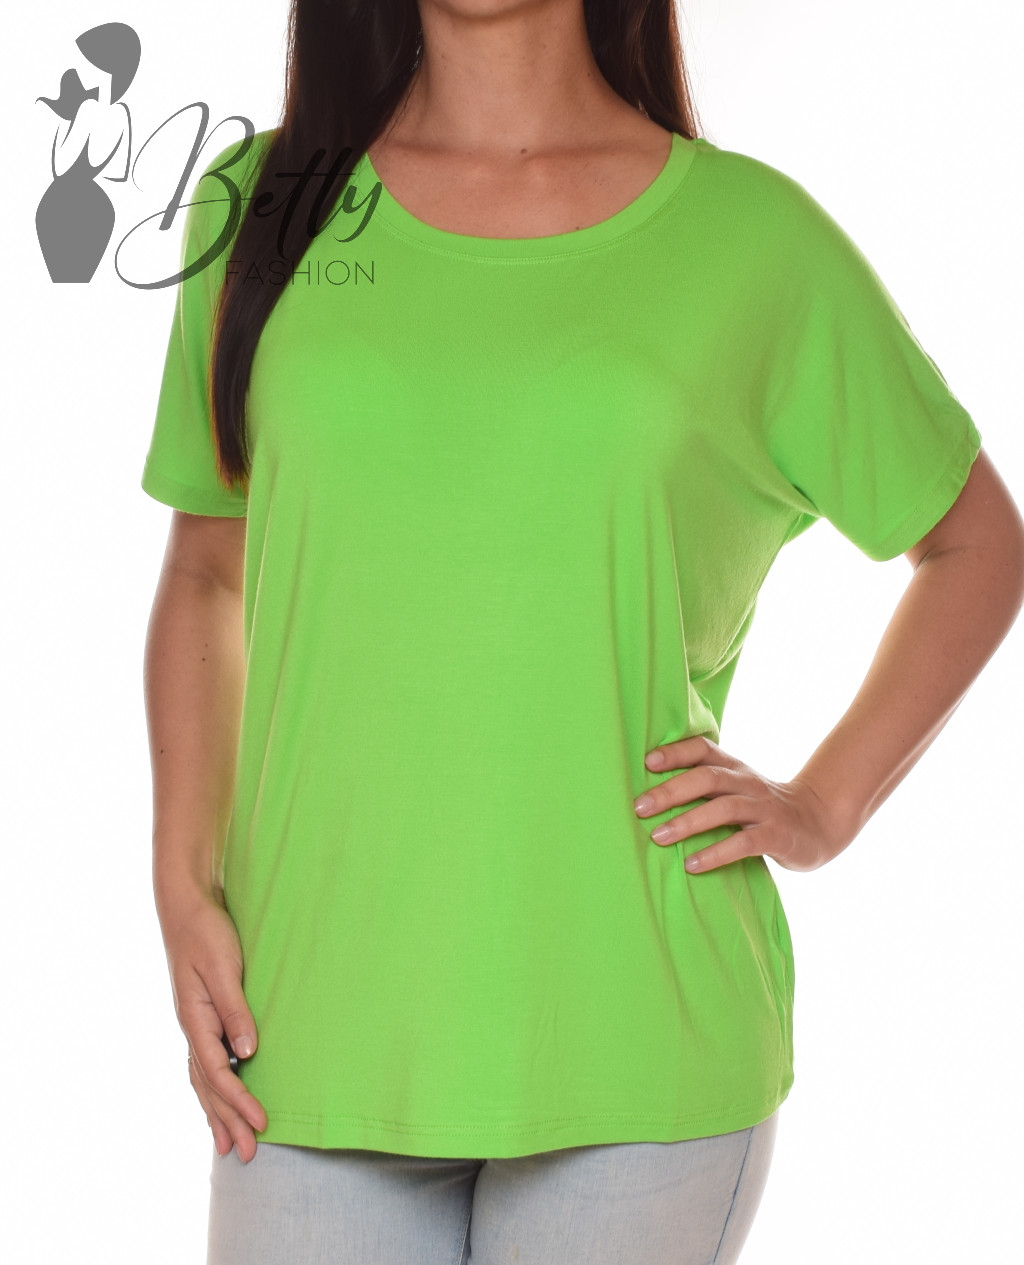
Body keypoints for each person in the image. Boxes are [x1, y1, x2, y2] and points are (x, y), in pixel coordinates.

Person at [140, 2, 1024, 1263]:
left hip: (638, 1034)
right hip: (312, 1020)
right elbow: (207, 571)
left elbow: (976, 543)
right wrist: (182, 882)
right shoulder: (263, 206)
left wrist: (822, 805)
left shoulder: (753, 241)